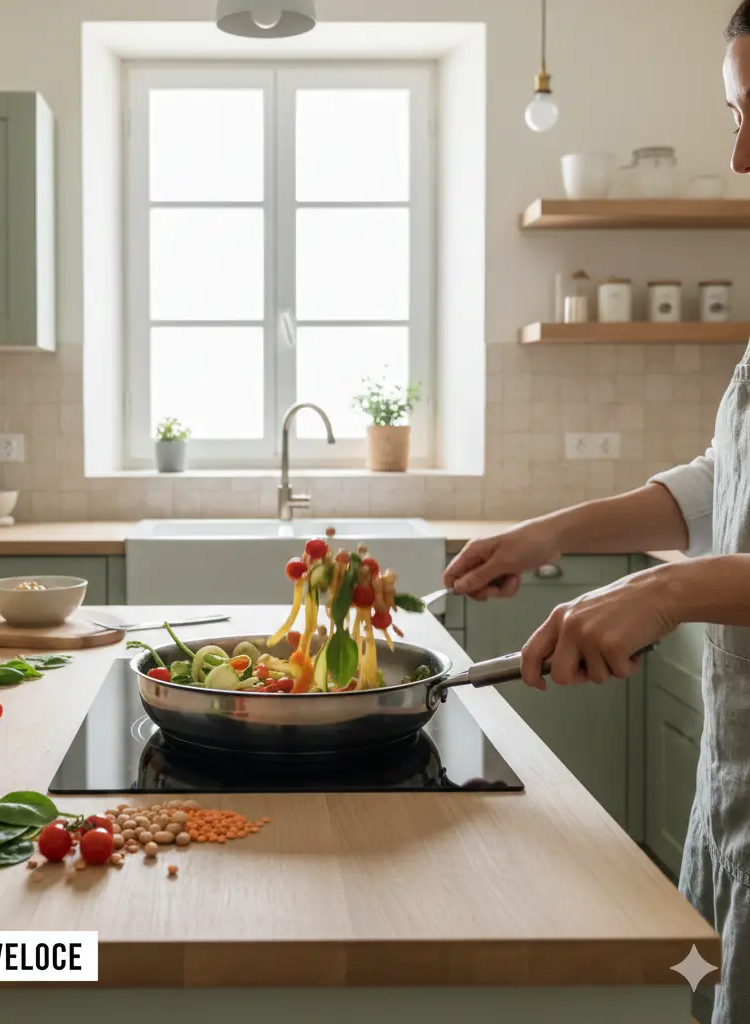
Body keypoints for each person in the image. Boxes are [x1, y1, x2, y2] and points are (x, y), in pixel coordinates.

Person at [444, 5, 750, 1020]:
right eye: (734, 116)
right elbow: (724, 481)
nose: (741, 155)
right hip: (736, 781)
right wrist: (557, 532)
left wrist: (672, 587)